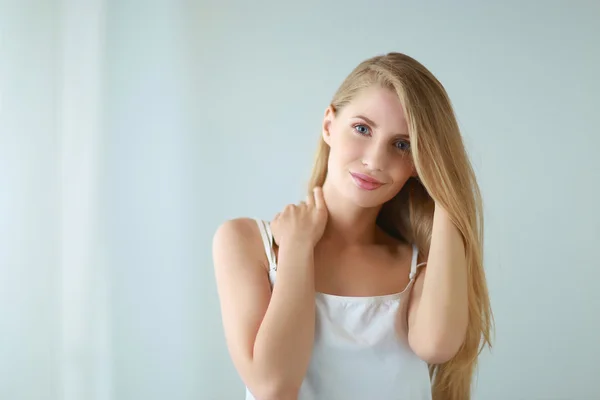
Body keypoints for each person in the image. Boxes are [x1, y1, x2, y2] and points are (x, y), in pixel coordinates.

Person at [212, 52, 493, 400]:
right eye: (362, 129)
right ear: (329, 125)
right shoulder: (248, 242)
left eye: (403, 145)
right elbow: (273, 386)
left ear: (420, 163)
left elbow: (436, 346)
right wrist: (297, 249)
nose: (375, 160)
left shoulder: (419, 265)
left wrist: (449, 189)